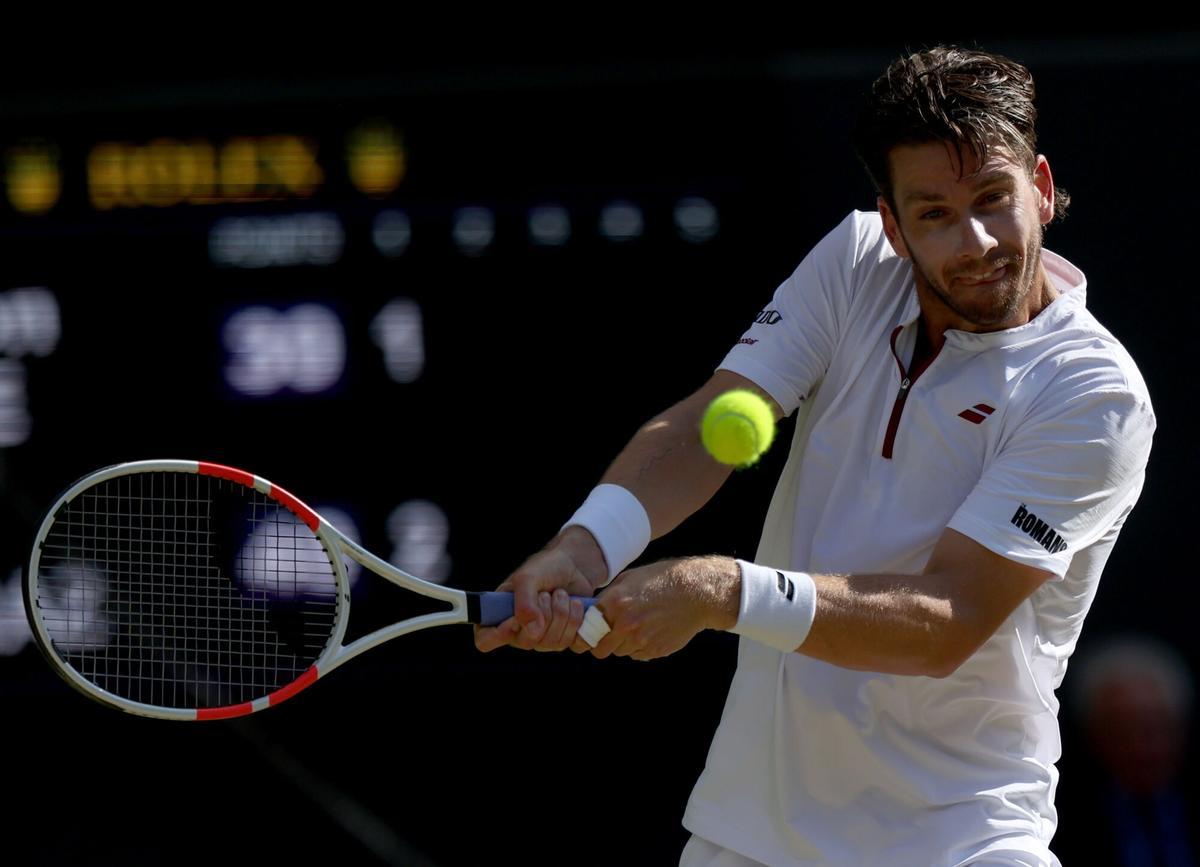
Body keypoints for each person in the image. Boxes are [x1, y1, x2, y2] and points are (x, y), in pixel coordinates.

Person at [475, 45, 1156, 866]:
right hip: (753, 833)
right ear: (894, 227)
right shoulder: (855, 260)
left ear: (1040, 189)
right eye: (934, 213)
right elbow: (708, 425)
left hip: (964, 836)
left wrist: (722, 591)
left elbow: (947, 619)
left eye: (992, 198)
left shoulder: (1094, 394)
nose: (975, 240)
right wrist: (583, 547)